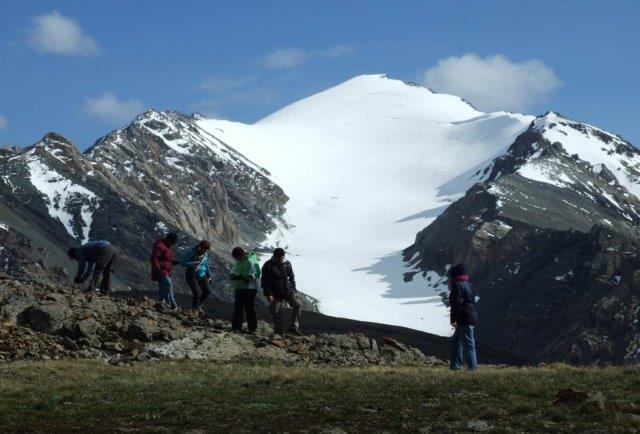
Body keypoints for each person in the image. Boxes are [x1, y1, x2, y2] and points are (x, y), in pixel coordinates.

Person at [261, 248, 302, 335]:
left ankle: (293, 328)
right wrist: (268, 293)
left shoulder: (287, 264)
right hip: (275, 293)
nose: (281, 259)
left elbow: (291, 276)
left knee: (298, 304)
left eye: (282, 257)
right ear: (275, 257)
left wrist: (294, 289)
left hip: (287, 290)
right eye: (279, 258)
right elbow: (264, 281)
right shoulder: (268, 265)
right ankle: (278, 332)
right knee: (276, 311)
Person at [448, 263, 478, 371]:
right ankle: (456, 366)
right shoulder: (468, 285)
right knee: (458, 341)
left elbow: (456, 305)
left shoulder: (457, 286)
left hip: (463, 318)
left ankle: (472, 368)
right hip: (470, 316)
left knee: (467, 343)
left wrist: (454, 319)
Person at [229, 247, 261, 333]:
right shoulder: (238, 261)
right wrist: (232, 275)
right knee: (238, 308)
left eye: (237, 257)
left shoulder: (251, 261)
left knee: (249, 308)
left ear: (242, 255)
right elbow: (233, 271)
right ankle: (236, 327)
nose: (236, 259)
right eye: (235, 258)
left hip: (249, 288)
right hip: (239, 287)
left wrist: (250, 277)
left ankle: (252, 329)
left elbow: (257, 272)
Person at [151, 232, 180, 309]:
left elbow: (165, 259)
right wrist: (158, 269)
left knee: (167, 287)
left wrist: (172, 262)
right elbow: (154, 258)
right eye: (173, 242)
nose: (174, 244)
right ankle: (168, 304)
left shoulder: (167, 247)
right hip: (161, 270)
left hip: (166, 270)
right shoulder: (160, 246)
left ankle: (168, 304)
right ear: (169, 240)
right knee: (167, 285)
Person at [181, 240, 212, 310]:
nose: (205, 252)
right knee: (197, 293)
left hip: (202, 274)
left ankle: (197, 305)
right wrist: (193, 263)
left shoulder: (205, 254)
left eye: (206, 250)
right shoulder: (191, 252)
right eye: (204, 250)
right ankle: (194, 309)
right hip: (191, 274)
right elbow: (183, 263)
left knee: (207, 292)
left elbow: (206, 265)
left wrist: (209, 276)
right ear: (200, 247)